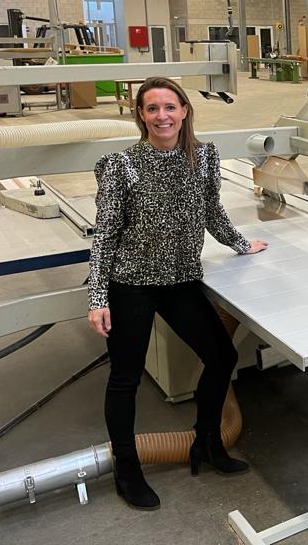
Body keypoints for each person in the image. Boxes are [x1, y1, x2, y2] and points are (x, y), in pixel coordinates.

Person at [86, 76, 268, 511]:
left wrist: (241, 244)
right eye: (152, 108)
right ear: (141, 116)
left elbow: (211, 211)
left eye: (170, 107)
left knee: (221, 356)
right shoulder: (121, 165)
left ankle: (207, 442)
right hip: (131, 284)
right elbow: (104, 235)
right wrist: (98, 298)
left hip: (180, 280)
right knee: (125, 378)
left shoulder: (204, 157)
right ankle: (127, 469)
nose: (162, 116)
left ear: (184, 111)